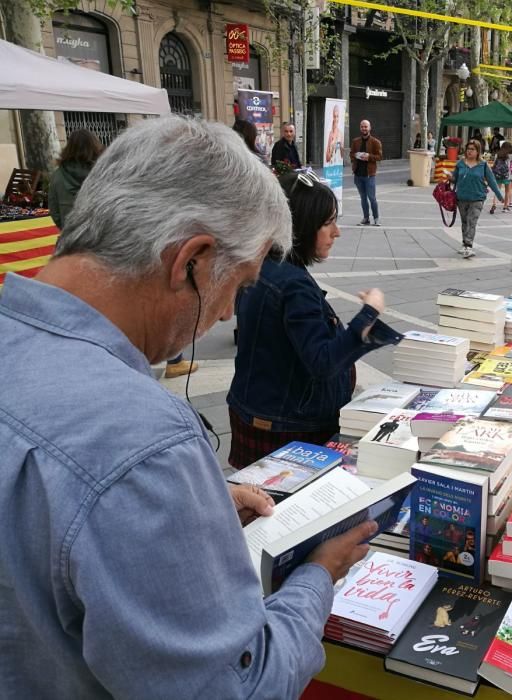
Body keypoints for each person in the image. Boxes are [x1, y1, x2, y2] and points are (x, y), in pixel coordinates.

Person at [0, 116, 377, 697]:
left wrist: (180, 504)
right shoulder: (143, 442)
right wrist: (317, 576)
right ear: (192, 262)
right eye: (239, 284)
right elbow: (238, 687)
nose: (228, 314)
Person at [228, 170, 401, 466]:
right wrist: (369, 315)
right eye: (327, 223)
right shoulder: (294, 284)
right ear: (301, 227)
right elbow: (323, 362)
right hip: (290, 427)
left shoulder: (261, 266)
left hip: (258, 412)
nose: (337, 232)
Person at [449, 140, 503, 258]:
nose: (469, 151)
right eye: (468, 149)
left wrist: (499, 195)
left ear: (478, 151)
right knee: (464, 221)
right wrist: (450, 177)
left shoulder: (483, 165)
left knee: (471, 221)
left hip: (477, 198)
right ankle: (464, 244)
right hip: (462, 197)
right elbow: (455, 179)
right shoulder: (460, 164)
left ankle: (469, 245)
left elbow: (491, 180)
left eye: (472, 149)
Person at [48, 128, 103, 230]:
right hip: (100, 235)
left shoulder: (58, 175)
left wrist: (66, 228)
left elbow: (54, 209)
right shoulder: (103, 173)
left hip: (71, 235)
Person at [350, 119, 383, 226]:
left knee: (372, 198)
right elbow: (351, 154)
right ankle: (366, 218)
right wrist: (356, 155)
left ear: (370, 128)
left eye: (366, 126)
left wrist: (369, 157)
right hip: (358, 174)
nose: (364, 128)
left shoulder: (375, 142)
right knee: (363, 198)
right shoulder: (355, 141)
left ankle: (376, 218)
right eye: (362, 126)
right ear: (360, 128)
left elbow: (380, 157)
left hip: (369, 175)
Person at [490, 143, 512, 214]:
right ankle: (505, 207)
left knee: (497, 190)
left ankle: (494, 204)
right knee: (507, 191)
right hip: (507, 175)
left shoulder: (497, 154)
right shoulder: (510, 156)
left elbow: (494, 164)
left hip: (498, 175)